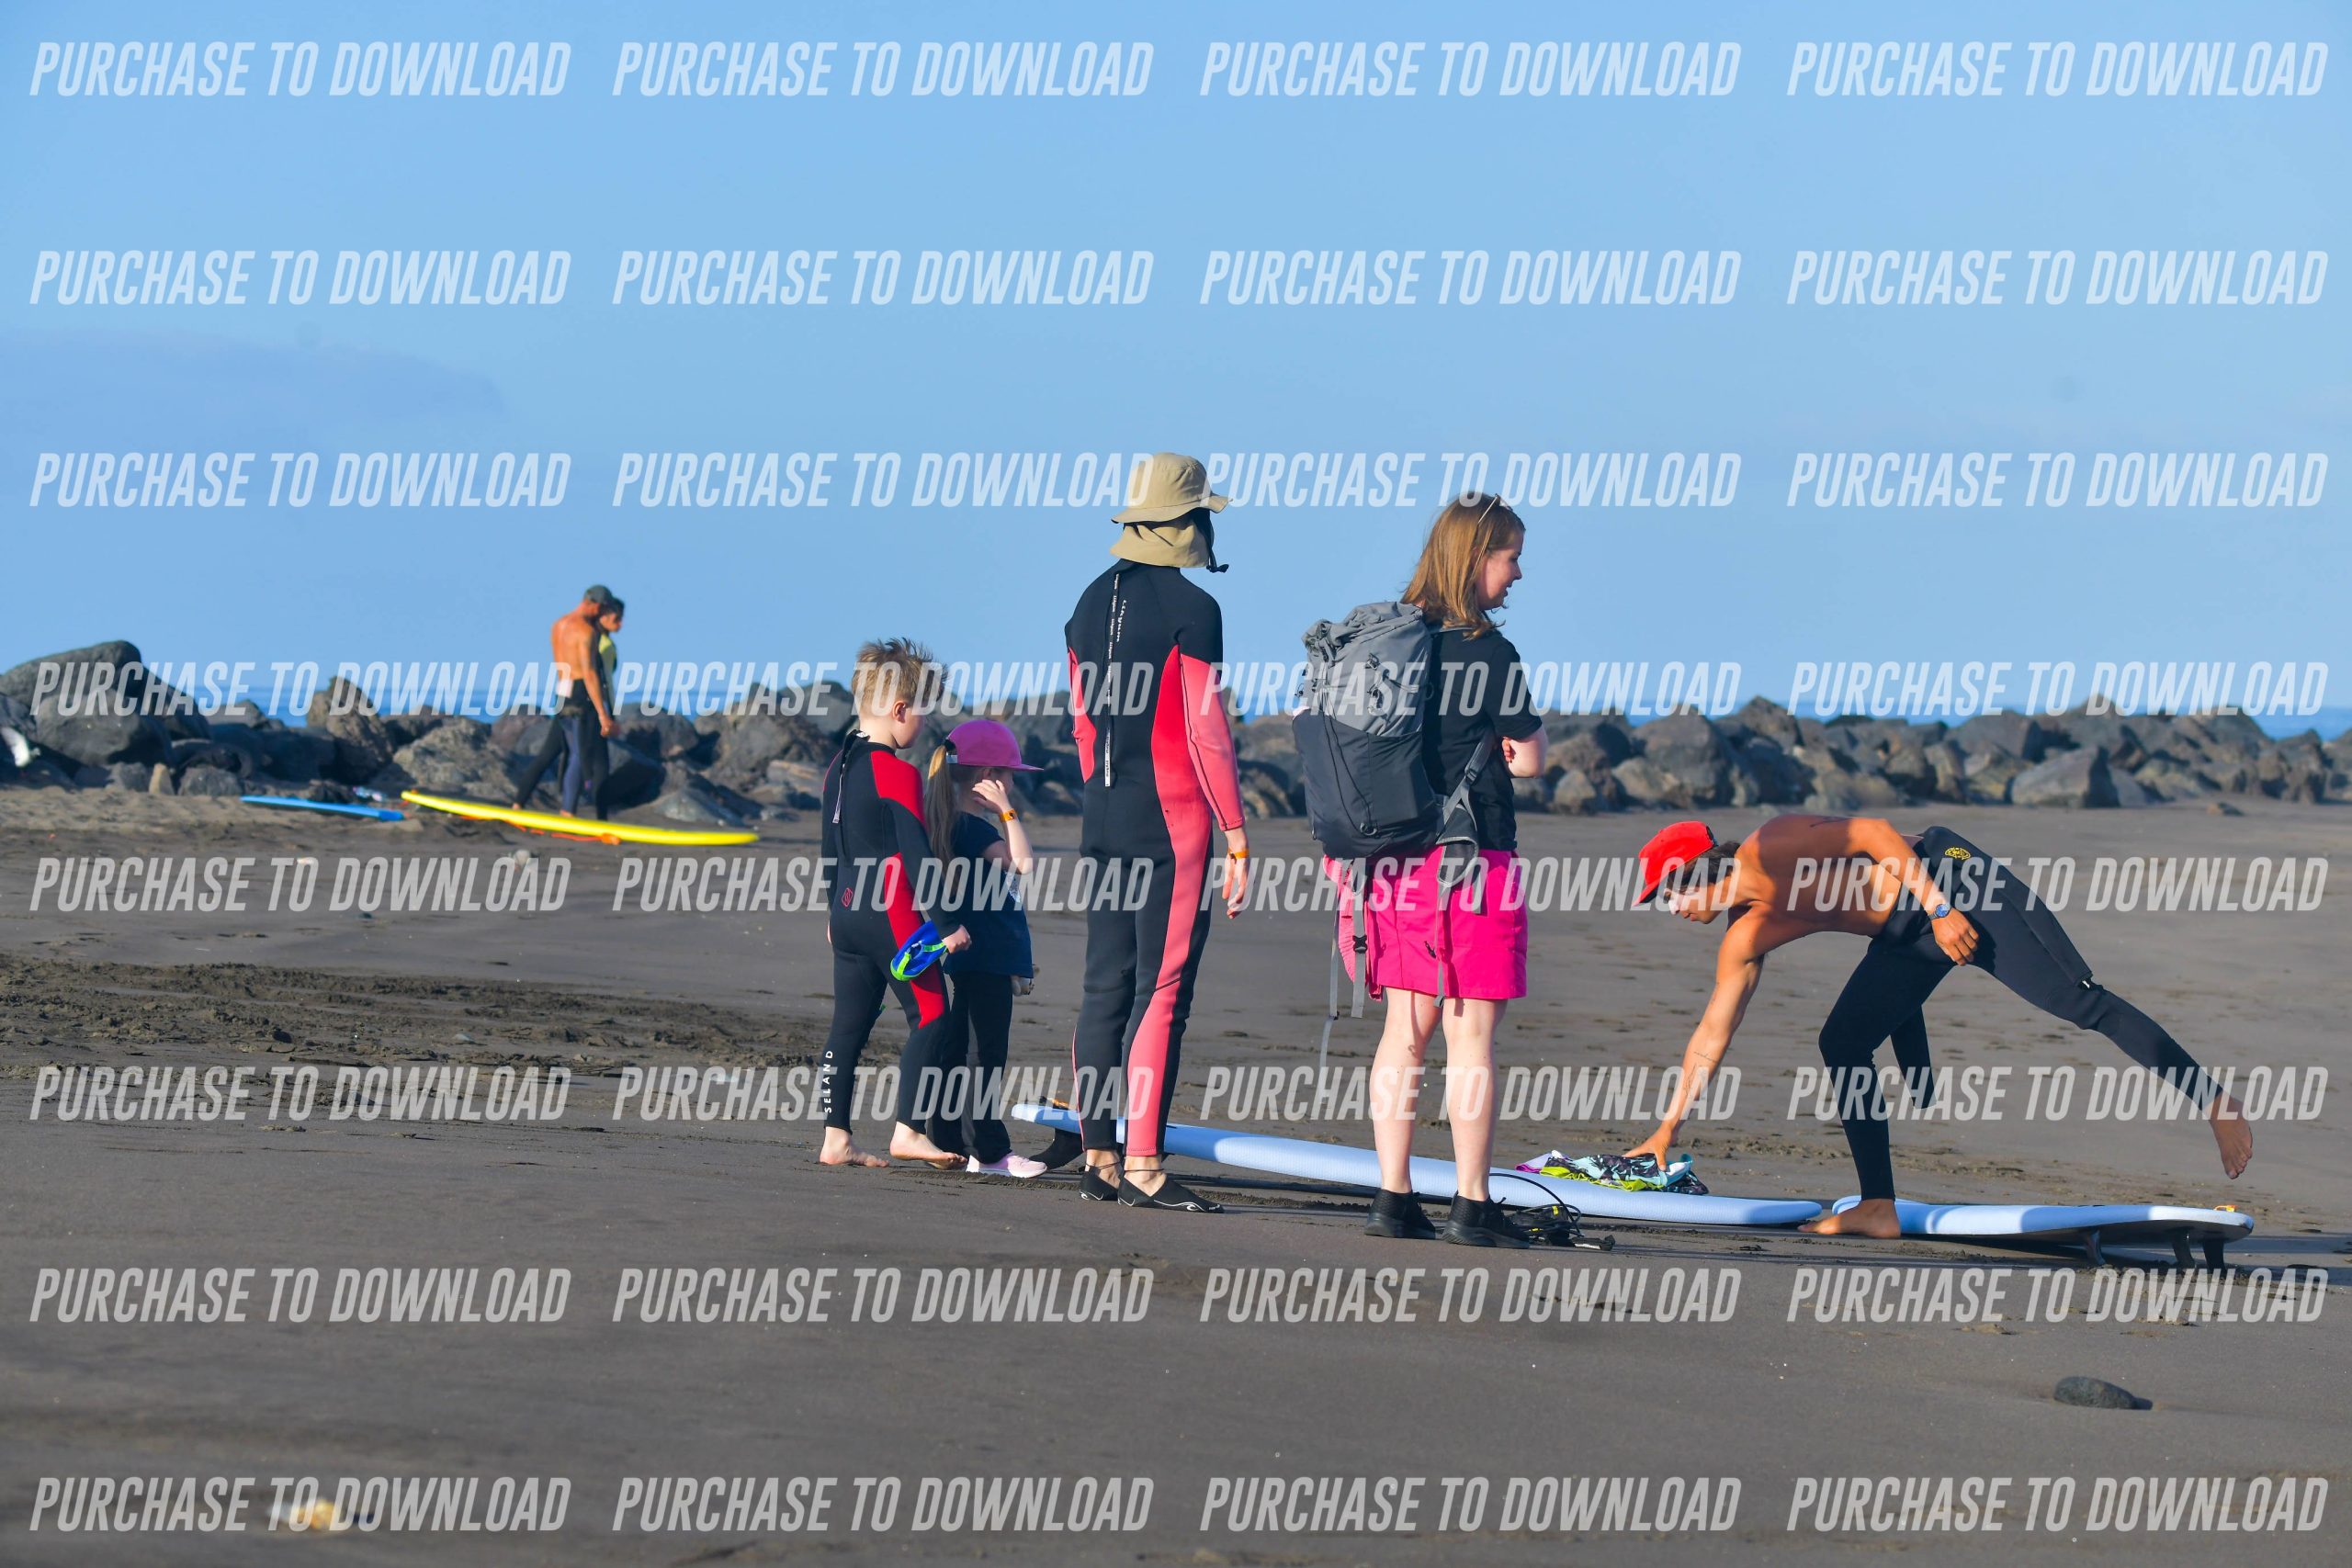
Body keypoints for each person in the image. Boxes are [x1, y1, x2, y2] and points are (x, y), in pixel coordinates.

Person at [1622, 815, 2254, 1237]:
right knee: (1842, 1042)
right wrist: (1666, 1130)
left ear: (1693, 868)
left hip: (1954, 882)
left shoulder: (1771, 846)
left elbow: (1874, 832)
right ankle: (1878, 1205)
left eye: (1669, 894)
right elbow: (1712, 1034)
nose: (1671, 909)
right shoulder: (1746, 936)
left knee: (2080, 1002)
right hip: (1904, 938)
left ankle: (2214, 1100)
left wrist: (1942, 907)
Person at [1334, 495, 1547, 1247]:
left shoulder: (1391, 641)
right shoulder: (1492, 654)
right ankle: (1471, 1203)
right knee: (1471, 1035)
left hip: (1392, 864)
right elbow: (1529, 758)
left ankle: (1392, 1196)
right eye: (1509, 557)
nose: (1516, 573)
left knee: (1404, 1031)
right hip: (1472, 861)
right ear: (1476, 557)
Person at [1063, 452, 1250, 1213]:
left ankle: (1098, 1156)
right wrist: (1236, 833)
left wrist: (1105, 795)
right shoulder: (1193, 609)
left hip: (1103, 815)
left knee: (1103, 983)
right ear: (1188, 521)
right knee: (1161, 987)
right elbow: (1206, 732)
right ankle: (1143, 1163)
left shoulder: (1085, 603)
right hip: (1172, 824)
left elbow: (1083, 727)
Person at [815, 638, 970, 1169]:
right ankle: (909, 1130)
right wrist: (946, 924)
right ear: (900, 710)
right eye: (923, 711)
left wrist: (833, 911)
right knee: (932, 1013)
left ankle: (836, 1138)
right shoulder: (897, 773)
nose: (925, 724)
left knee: (848, 1026)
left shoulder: (837, 768)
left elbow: (830, 847)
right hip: (891, 913)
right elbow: (917, 855)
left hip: (846, 914)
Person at [921, 718, 1049, 1179]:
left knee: (958, 1049)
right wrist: (1007, 812)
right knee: (985, 1055)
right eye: (1009, 775)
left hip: (978, 956)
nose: (1013, 784)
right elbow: (1024, 864)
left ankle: (948, 1140)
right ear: (987, 777)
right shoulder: (974, 830)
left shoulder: (951, 825)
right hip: (986, 957)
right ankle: (990, 1152)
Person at [512, 586, 621, 817]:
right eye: (604, 608)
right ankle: (567, 811)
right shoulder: (586, 631)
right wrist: (603, 714)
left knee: (550, 753)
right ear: (597, 605)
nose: (604, 613)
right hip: (581, 693)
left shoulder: (558, 625)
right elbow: (589, 673)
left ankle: (518, 804)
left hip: (562, 690)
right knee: (580, 754)